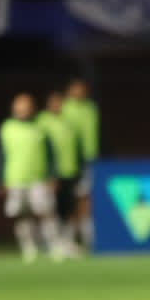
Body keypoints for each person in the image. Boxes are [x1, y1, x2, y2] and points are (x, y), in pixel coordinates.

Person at [0, 93, 60, 263]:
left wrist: (52, 175)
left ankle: (53, 245)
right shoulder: (7, 128)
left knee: (45, 211)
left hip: (38, 178)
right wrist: (0, 180)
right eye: (19, 107)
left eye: (25, 107)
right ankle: (28, 248)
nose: (22, 111)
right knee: (21, 214)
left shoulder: (40, 128)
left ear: (32, 109)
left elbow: (50, 155)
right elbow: (1, 156)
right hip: (15, 179)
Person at [35, 91, 83, 259]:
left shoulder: (68, 123)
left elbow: (76, 146)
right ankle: (51, 244)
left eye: (59, 103)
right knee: (49, 210)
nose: (57, 106)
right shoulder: (41, 122)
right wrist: (48, 173)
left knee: (68, 209)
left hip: (69, 171)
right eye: (54, 103)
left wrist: (79, 167)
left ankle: (67, 242)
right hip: (49, 174)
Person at [59, 78, 99, 251]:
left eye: (82, 89)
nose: (79, 92)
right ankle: (68, 239)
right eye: (76, 89)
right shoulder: (65, 108)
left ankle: (87, 239)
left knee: (86, 199)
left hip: (90, 160)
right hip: (69, 163)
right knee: (70, 201)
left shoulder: (91, 108)